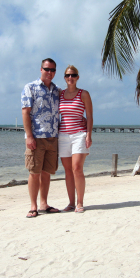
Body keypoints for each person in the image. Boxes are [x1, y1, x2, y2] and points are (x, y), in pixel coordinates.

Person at [21, 58, 61, 218]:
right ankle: (33, 206)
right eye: (47, 69)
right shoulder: (30, 87)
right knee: (34, 172)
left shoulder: (57, 90)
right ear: (41, 69)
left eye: (52, 70)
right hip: (36, 137)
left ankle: (44, 204)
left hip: (53, 137)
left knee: (46, 173)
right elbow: (25, 112)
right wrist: (29, 136)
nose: (49, 72)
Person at [59, 65, 93, 213]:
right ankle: (71, 203)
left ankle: (80, 202)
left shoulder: (83, 94)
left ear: (77, 77)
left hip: (79, 134)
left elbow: (90, 117)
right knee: (67, 171)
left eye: (73, 75)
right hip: (63, 136)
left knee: (77, 168)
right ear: (65, 78)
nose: (70, 78)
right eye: (67, 75)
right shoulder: (60, 94)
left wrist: (88, 135)